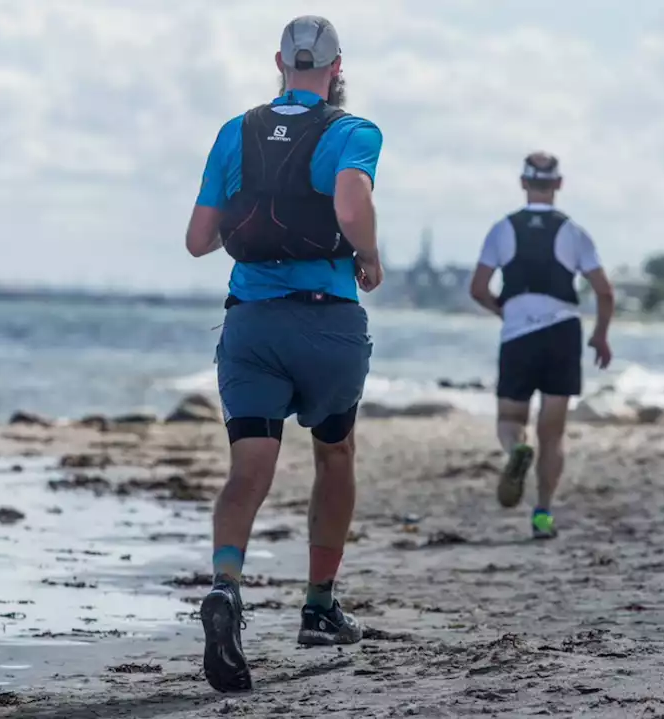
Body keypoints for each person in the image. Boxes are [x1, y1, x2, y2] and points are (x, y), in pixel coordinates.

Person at [183, 15, 385, 694]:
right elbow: (352, 201)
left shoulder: (233, 131)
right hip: (327, 329)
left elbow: (198, 238)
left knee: (249, 468)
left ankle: (226, 582)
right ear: (335, 69)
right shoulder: (352, 131)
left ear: (279, 62)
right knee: (334, 452)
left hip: (252, 329)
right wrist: (368, 254)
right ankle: (320, 606)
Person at [468, 152, 615, 540]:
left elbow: (478, 289)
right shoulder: (574, 233)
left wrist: (507, 312)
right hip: (562, 333)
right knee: (553, 433)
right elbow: (604, 291)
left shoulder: (502, 230)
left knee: (510, 420)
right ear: (559, 185)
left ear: (523, 182)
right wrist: (600, 336)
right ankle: (543, 513)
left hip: (519, 335)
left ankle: (517, 448)